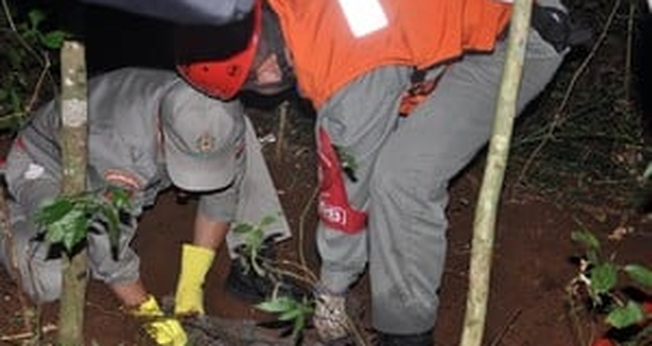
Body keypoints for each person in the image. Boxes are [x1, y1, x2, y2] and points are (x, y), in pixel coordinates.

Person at [170, 1, 571, 345]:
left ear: (269, 64)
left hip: (520, 34)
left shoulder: (339, 67)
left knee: (402, 177)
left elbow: (347, 193)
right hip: (484, 20)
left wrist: (332, 290)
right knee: (383, 135)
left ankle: (406, 332)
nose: (265, 86)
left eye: (254, 80)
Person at [0, 67, 291, 345]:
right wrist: (147, 313)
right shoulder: (122, 145)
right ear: (162, 134)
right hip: (47, 164)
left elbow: (222, 196)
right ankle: (9, 218)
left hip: (113, 161)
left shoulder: (224, 120)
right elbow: (108, 246)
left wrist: (192, 284)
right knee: (56, 277)